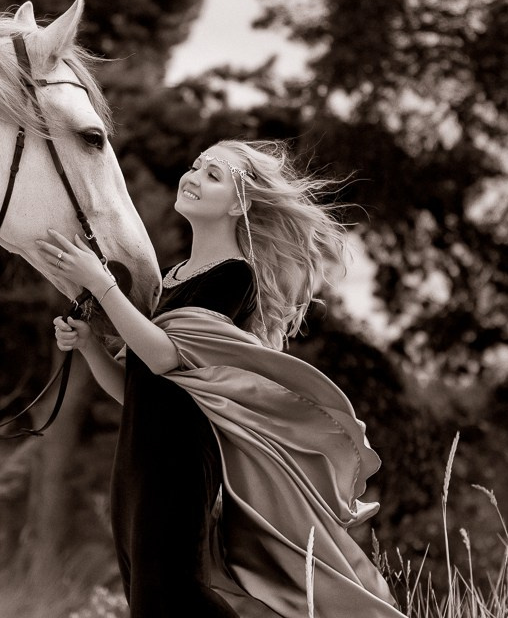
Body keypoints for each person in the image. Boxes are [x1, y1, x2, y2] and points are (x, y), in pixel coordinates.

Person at [36, 139, 404, 618]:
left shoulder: (234, 277)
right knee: (151, 597)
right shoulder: (171, 279)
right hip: (137, 463)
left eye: (213, 176)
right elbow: (135, 388)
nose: (193, 177)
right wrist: (88, 344)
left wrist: (101, 282)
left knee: (171, 597)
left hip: (180, 462)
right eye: (195, 166)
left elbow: (165, 356)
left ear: (239, 204)